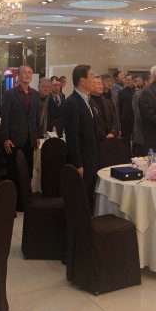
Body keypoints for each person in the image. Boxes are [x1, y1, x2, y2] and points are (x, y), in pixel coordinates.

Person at [0, 65, 39, 205]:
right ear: (19, 75)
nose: (28, 75)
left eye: (30, 72)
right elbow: (5, 118)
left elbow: (36, 118)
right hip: (14, 139)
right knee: (14, 171)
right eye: (25, 72)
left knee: (28, 170)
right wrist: (5, 138)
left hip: (30, 138)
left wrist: (37, 136)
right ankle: (13, 201)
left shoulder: (35, 94)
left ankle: (25, 200)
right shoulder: (10, 94)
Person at [63, 65, 100, 210]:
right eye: (92, 76)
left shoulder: (87, 100)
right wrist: (78, 164)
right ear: (82, 81)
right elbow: (72, 136)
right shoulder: (72, 102)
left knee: (89, 196)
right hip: (83, 160)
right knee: (81, 199)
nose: (94, 80)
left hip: (91, 157)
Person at [91, 76, 118, 142]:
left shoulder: (107, 102)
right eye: (98, 84)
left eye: (101, 84)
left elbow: (114, 118)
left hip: (111, 137)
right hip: (96, 138)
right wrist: (104, 136)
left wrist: (112, 133)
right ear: (91, 85)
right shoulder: (88, 102)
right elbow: (92, 123)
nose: (101, 86)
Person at [132, 72, 152, 156]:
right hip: (142, 133)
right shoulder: (138, 94)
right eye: (151, 79)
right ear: (146, 82)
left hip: (154, 134)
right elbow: (138, 115)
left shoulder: (155, 94)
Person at [117, 73, 136, 150]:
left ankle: (135, 154)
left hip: (135, 120)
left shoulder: (137, 91)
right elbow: (120, 106)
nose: (127, 81)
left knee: (135, 139)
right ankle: (127, 155)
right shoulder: (121, 92)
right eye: (126, 80)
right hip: (125, 120)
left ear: (133, 80)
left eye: (129, 80)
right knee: (126, 139)